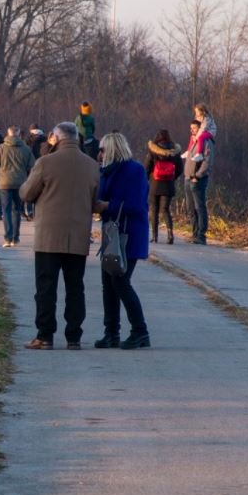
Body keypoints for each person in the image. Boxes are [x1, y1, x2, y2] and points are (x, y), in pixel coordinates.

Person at [19, 122, 100, 350]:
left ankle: (45, 336)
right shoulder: (92, 165)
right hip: (78, 236)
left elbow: (26, 193)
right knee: (75, 288)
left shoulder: (45, 162)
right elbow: (94, 198)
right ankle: (74, 337)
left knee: (46, 288)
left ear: (56, 137)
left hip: (49, 236)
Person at [95, 132, 151, 349]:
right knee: (108, 283)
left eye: (102, 150)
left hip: (129, 234)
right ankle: (111, 332)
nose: (99, 154)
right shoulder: (106, 171)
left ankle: (140, 331)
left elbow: (135, 204)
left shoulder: (134, 170)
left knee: (120, 281)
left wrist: (108, 206)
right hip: (112, 233)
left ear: (112, 150)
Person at [0, 126, 35, 247]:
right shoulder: (26, 148)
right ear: (19, 134)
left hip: (4, 183)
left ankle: (8, 238)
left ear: (8, 134)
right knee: (17, 210)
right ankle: (15, 238)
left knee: (6, 210)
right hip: (20, 183)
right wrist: (25, 173)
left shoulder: (1, 148)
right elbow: (32, 165)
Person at [182, 104, 216, 244]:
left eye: (194, 128)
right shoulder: (192, 141)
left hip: (198, 180)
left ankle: (201, 235)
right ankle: (194, 233)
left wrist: (198, 175)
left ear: (200, 128)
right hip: (187, 178)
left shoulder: (206, 141)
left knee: (199, 207)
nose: (192, 131)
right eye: (191, 129)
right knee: (191, 208)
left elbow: (207, 162)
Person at [144, 129, 184, 244]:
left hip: (155, 184)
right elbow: (180, 169)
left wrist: (148, 178)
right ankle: (170, 234)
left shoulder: (153, 150)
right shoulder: (175, 151)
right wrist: (172, 178)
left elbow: (147, 167)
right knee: (165, 209)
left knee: (154, 210)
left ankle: (154, 236)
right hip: (168, 185)